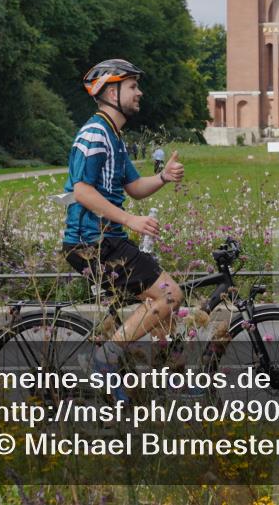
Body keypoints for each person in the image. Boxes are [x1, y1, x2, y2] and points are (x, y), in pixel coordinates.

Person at [60, 59, 185, 399]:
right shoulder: (94, 134)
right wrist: (130, 220)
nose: (139, 92)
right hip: (92, 242)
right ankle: (104, 361)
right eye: (132, 86)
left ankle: (163, 386)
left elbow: (133, 187)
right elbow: (82, 191)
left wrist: (162, 177)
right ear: (111, 92)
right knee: (170, 294)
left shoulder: (113, 136)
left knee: (168, 314)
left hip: (108, 240)